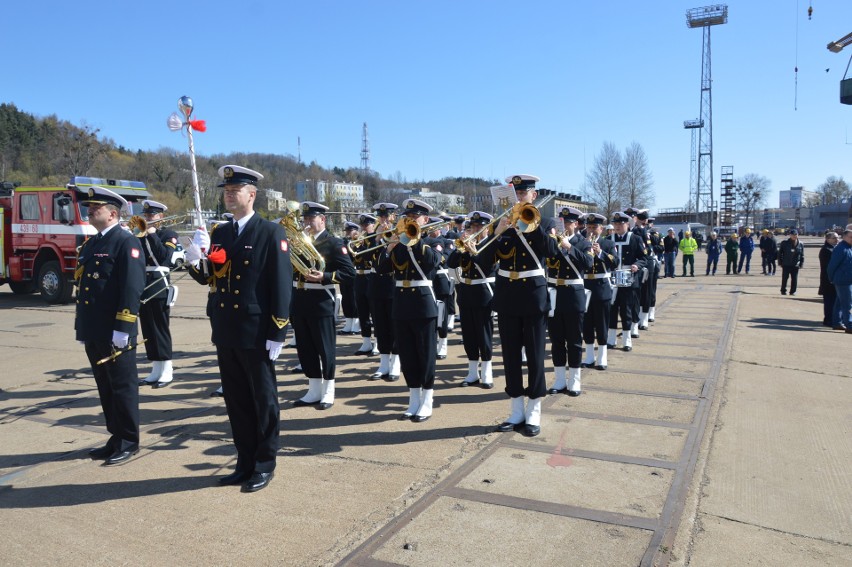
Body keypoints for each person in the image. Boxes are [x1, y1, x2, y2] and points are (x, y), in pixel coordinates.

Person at [186, 165, 292, 493]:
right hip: (227, 328)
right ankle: (244, 461)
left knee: (263, 401)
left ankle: (264, 464)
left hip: (257, 329)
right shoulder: (220, 233)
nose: (229, 194)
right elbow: (210, 277)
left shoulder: (270, 233)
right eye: (226, 191)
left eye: (236, 190)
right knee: (236, 401)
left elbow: (281, 285)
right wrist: (194, 259)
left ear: (252, 194)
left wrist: (278, 331)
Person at [475, 174, 560, 437]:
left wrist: (531, 227)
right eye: (516, 194)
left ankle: (534, 411)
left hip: (533, 297)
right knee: (511, 357)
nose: (520, 197)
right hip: (507, 296)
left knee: (534, 356)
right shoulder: (498, 225)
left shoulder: (546, 222)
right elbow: (482, 262)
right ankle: (515, 410)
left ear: (533, 196)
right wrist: (498, 232)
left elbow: (553, 253)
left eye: (524, 193)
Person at [75, 187, 146, 466]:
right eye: (89, 208)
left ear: (113, 213)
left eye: (96, 208)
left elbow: (131, 287)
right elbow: (85, 287)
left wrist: (124, 327)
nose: (90, 211)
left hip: (116, 329)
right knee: (105, 385)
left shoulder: (125, 242)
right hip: (95, 327)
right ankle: (115, 436)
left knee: (122, 385)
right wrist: (83, 327)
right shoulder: (93, 243)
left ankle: (129, 440)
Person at [375, 198, 441, 422]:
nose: (411, 220)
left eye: (416, 218)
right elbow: (382, 269)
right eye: (408, 217)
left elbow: (432, 262)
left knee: (425, 354)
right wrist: (390, 245)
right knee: (408, 355)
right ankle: (413, 399)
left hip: (423, 304)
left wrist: (416, 238)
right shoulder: (399, 243)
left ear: (426, 220)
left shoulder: (432, 242)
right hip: (401, 304)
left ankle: (427, 400)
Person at [291, 202, 355, 410]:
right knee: (305, 348)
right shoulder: (298, 241)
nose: (308, 222)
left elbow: (349, 273)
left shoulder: (334, 243)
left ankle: (328, 390)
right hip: (299, 299)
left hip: (321, 300)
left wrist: (325, 276)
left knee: (325, 348)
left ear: (323, 220)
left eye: (312, 218)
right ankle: (313, 389)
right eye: (306, 219)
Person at [546, 207, 593, 396]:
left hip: (573, 293)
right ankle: (559, 380)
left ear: (575, 224)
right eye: (561, 223)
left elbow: (589, 264)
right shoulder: (552, 242)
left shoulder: (583, 243)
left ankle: (574, 381)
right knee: (556, 340)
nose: (564, 226)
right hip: (554, 293)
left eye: (567, 223)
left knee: (573, 340)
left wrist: (568, 247)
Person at [448, 211, 495, 388]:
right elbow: (451, 264)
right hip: (466, 292)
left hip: (484, 292)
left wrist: (473, 251)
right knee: (469, 335)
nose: (476, 229)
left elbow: (487, 265)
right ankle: (472, 372)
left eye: (479, 226)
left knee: (484, 334)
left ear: (486, 228)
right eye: (473, 226)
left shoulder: (491, 243)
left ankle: (487, 372)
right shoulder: (466, 243)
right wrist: (460, 247)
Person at [137, 200, 179, 389]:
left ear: (161, 217)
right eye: (146, 215)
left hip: (159, 283)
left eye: (152, 215)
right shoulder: (140, 235)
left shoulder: (168, 234)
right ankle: (156, 368)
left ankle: (167, 368)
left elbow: (165, 258)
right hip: (144, 284)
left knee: (160, 328)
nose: (148, 218)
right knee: (148, 328)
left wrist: (152, 236)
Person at [367, 203, 401, 381]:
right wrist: (377, 239)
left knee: (394, 325)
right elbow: (365, 258)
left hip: (393, 283)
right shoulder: (372, 237)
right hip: (376, 285)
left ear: (393, 217)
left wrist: (390, 241)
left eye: (386, 217)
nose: (383, 220)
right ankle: (383, 363)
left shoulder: (400, 235)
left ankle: (395, 362)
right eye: (381, 217)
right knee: (380, 325)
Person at [581, 213, 617, 371]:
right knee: (587, 324)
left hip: (601, 286)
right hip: (585, 285)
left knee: (602, 323)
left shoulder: (608, 243)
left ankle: (602, 356)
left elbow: (615, 262)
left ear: (601, 229)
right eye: (589, 227)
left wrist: (600, 253)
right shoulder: (581, 243)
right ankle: (589, 356)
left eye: (594, 227)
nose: (591, 230)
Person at [606, 211, 647, 352]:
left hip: (628, 277)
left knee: (626, 309)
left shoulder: (635, 238)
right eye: (615, 223)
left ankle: (626, 340)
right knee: (612, 309)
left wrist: (637, 265)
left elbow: (643, 258)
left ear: (627, 224)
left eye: (620, 223)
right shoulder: (608, 239)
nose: (617, 226)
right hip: (611, 278)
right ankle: (611, 339)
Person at [350, 214, 378, 357]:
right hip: (359, 277)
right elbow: (353, 257)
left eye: (366, 225)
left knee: (375, 311)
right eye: (362, 226)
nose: (363, 228)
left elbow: (371, 256)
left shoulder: (376, 238)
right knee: (362, 311)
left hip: (371, 276)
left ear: (373, 224)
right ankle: (366, 341)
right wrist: (356, 243)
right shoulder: (362, 240)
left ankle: (378, 342)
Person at [827, 224, 852, 332]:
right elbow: (831, 266)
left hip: (847, 279)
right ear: (845, 237)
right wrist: (832, 278)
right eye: (851, 237)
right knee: (847, 304)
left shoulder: (849, 248)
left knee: (839, 303)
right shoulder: (841, 249)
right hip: (843, 280)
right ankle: (850, 325)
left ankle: (837, 322)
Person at [338, 221, 361, 336]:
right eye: (347, 231)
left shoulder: (359, 243)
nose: (348, 233)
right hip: (344, 273)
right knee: (346, 298)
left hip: (355, 273)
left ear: (356, 231)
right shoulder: (344, 242)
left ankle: (356, 324)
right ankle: (348, 323)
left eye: (350, 231)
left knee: (354, 299)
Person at [819, 232, 840, 327]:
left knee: (834, 300)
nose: (837, 239)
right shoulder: (826, 250)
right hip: (828, 280)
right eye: (834, 238)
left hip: (834, 279)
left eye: (837, 237)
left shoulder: (834, 248)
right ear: (827, 239)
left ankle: (831, 318)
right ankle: (828, 319)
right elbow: (828, 266)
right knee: (829, 301)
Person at [778, 229, 804, 296]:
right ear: (790, 235)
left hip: (795, 264)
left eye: (796, 235)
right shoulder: (784, 243)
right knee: (785, 278)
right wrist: (780, 262)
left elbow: (802, 255)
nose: (794, 236)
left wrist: (801, 263)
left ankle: (793, 291)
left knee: (794, 279)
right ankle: (783, 290)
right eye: (793, 235)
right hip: (786, 264)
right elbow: (780, 253)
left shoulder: (801, 244)